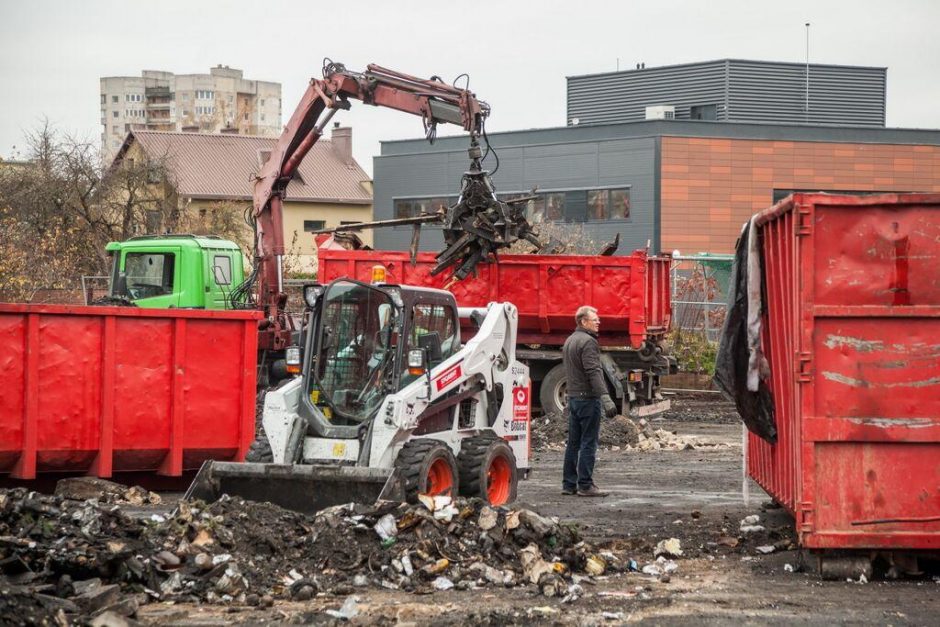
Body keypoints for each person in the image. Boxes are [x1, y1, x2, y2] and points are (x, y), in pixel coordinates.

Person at [561, 305, 618, 497]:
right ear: (584, 322)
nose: (599, 322)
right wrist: (605, 398)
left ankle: (569, 485)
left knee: (573, 443)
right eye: (595, 320)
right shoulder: (588, 342)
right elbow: (593, 371)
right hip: (587, 400)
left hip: (574, 399)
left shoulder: (570, 340)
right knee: (588, 442)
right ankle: (585, 485)